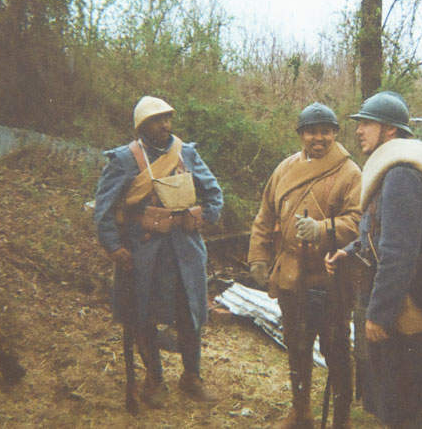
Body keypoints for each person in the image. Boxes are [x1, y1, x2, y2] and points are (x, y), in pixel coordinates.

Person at [325, 91, 422, 429]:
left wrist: (379, 315)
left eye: (366, 124)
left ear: (390, 130)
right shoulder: (394, 170)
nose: (359, 130)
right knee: (400, 405)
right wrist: (348, 253)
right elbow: (377, 234)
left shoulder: (400, 175)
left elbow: (398, 253)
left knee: (401, 408)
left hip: (402, 305)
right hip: (399, 297)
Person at [94, 96, 223, 408]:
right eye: (156, 120)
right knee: (143, 316)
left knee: (190, 313)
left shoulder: (186, 153)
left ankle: (192, 376)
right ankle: (155, 379)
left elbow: (213, 194)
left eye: (167, 118)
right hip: (145, 252)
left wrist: (204, 217)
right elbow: (104, 209)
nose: (164, 125)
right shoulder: (125, 159)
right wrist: (114, 246)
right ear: (142, 126)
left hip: (186, 251)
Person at [248, 102, 362, 429]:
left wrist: (324, 229)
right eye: (312, 131)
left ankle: (341, 419)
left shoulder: (349, 172)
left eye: (326, 131)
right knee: (297, 348)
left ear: (335, 133)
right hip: (290, 275)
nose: (319, 138)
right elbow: (264, 216)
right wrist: (258, 256)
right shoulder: (284, 169)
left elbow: (358, 221)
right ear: (301, 134)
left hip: (330, 277)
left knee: (336, 349)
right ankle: (301, 413)